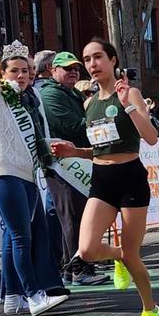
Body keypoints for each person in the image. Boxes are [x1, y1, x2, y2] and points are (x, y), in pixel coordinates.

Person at [50, 37, 159, 316]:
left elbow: (151, 137)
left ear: (113, 60)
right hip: (101, 181)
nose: (92, 65)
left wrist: (127, 106)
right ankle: (120, 257)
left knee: (133, 253)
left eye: (98, 57)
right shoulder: (89, 103)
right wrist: (75, 152)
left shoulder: (131, 93)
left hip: (130, 178)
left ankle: (151, 311)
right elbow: (99, 149)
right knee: (86, 250)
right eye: (87, 60)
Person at [0, 0, 68, 316]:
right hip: (3, 172)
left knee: (15, 239)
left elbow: (40, 132)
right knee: (21, 236)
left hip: (27, 174)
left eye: (26, 70)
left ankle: (13, 297)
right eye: (15, 71)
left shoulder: (33, 100)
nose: (22, 76)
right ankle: (34, 295)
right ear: (2, 74)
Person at [40, 51, 109, 286]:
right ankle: (80, 269)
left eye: (76, 69)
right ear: (53, 70)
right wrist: (105, 123)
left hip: (74, 160)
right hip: (61, 164)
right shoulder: (50, 94)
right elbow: (74, 126)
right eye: (67, 68)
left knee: (77, 216)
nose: (73, 72)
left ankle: (73, 267)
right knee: (73, 217)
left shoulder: (72, 94)